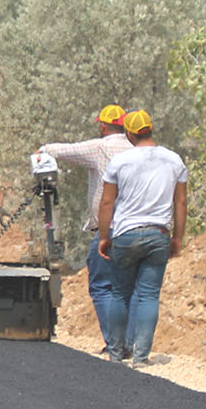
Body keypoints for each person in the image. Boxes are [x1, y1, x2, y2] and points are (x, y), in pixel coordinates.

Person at [38, 105, 136, 356]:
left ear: (103, 126)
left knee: (102, 286)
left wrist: (43, 150)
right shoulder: (136, 149)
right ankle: (132, 343)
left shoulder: (100, 147)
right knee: (128, 287)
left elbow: (64, 150)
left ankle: (115, 343)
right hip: (134, 228)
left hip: (108, 229)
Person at [94, 109, 189, 367]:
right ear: (151, 128)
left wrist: (104, 236)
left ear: (129, 134)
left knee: (120, 294)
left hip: (125, 235)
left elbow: (107, 201)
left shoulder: (120, 162)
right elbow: (180, 202)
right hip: (159, 235)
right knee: (148, 295)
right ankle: (141, 356)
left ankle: (115, 354)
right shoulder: (174, 160)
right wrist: (177, 238)